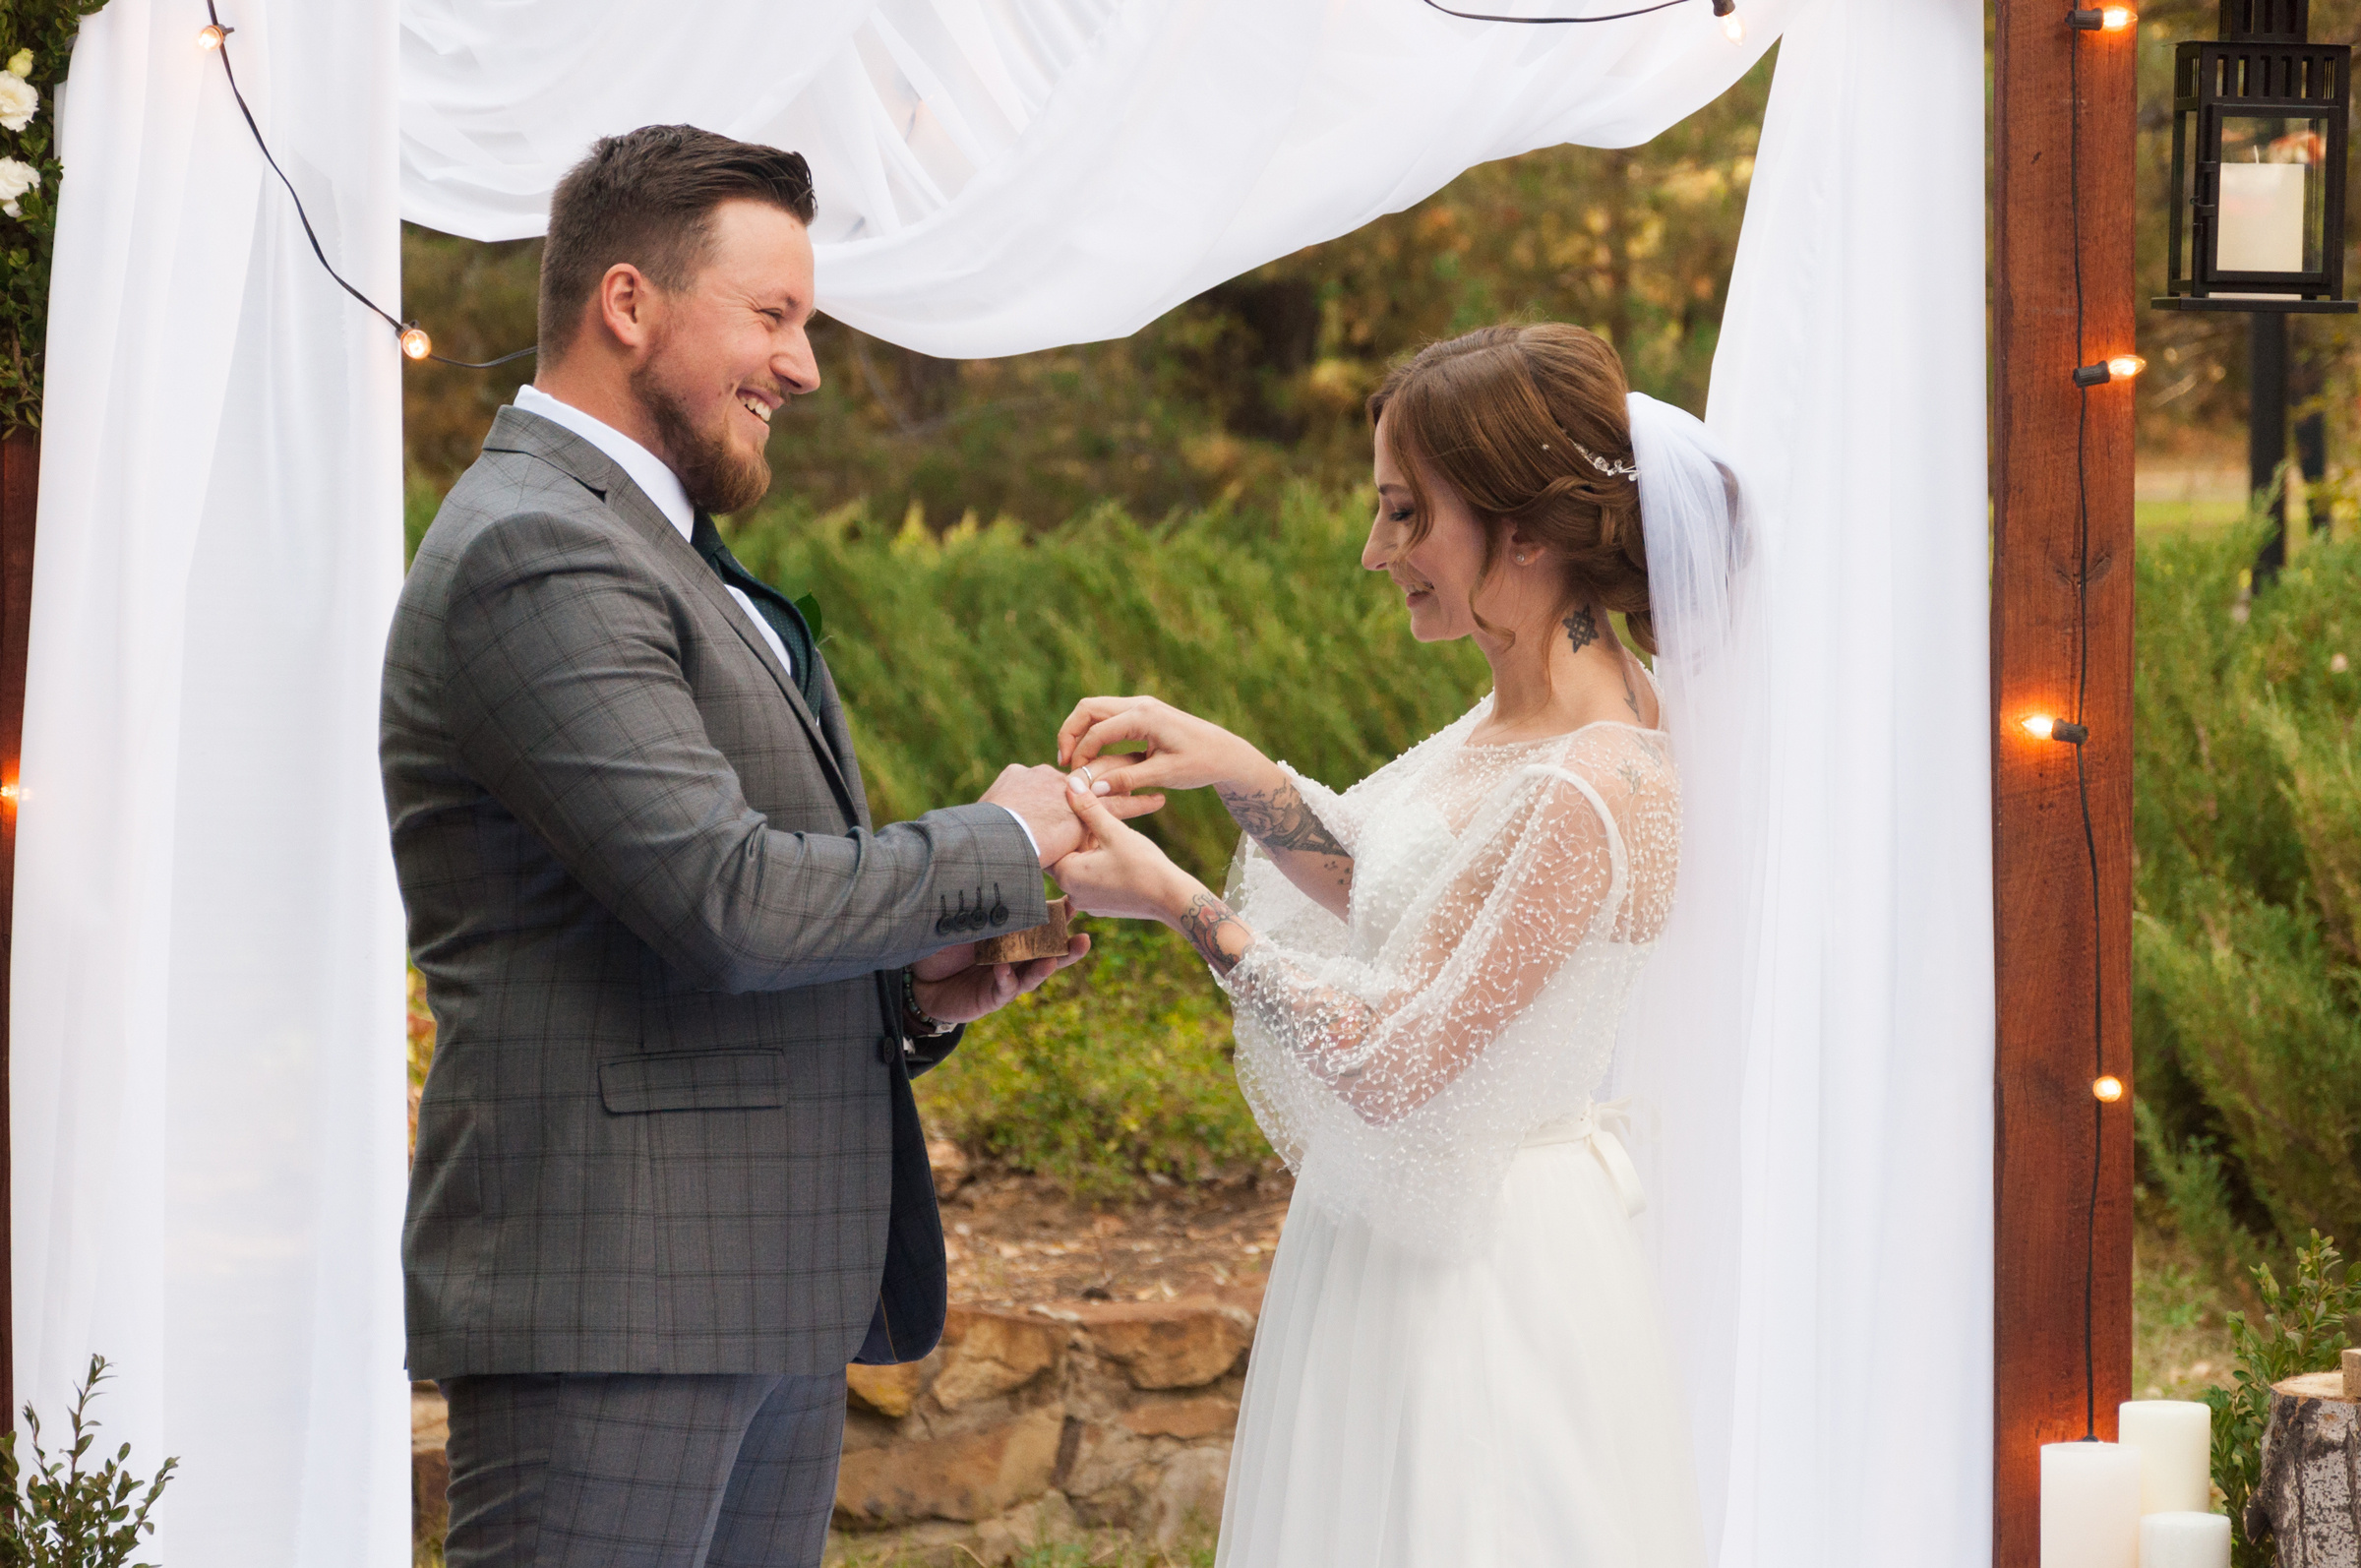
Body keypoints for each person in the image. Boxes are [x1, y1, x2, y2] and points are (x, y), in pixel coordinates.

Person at [381, 125, 1159, 1568]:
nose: (803, 365)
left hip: (763, 1292)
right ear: (630, 303)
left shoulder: (658, 546)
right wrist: (997, 835)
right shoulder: (534, 549)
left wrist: (912, 985)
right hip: (620, 1300)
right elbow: (728, 896)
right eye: (775, 315)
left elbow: (671, 923)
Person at [1049, 323, 1757, 1566]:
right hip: (1385, 1241)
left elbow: (1398, 1058)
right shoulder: (1522, 706)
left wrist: (1175, 901)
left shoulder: (1601, 780)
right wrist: (1233, 766)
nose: (1379, 553)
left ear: (1522, 532)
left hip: (1481, 1276)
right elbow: (1394, 877)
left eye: (1405, 516)